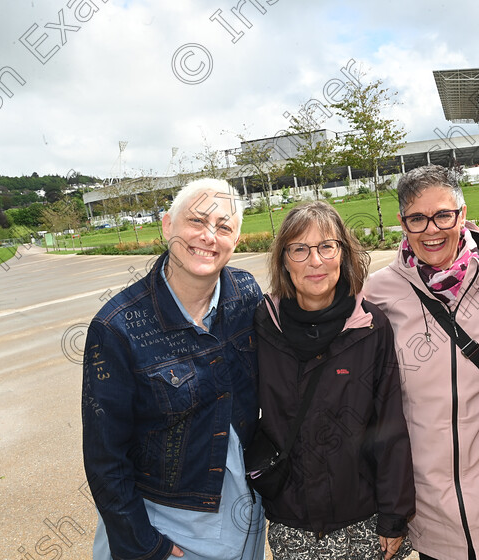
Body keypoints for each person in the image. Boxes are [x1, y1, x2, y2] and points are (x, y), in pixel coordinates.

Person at [82, 178, 266, 560]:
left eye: (224, 226)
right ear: (167, 225)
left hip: (244, 516)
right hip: (167, 528)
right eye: (196, 221)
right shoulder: (117, 328)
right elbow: (105, 459)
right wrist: (146, 546)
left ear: (238, 239)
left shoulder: (246, 294)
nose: (209, 236)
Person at [367, 165, 479, 560]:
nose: (431, 230)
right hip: (428, 507)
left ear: (463, 214)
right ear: (402, 224)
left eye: (443, 215)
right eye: (417, 218)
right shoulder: (378, 292)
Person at [254, 201, 415, 560]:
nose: (315, 261)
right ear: (283, 259)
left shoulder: (371, 327)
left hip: (364, 519)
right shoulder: (263, 326)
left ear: (342, 254)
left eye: (327, 246)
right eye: (300, 249)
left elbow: (389, 425)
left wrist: (394, 515)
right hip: (292, 521)